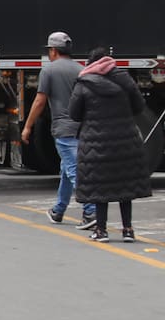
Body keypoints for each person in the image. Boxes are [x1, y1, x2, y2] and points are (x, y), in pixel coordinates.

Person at [69, 46, 153, 243]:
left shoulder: (84, 83)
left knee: (100, 187)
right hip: (125, 138)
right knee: (125, 186)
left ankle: (101, 230)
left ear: (91, 63)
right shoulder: (125, 80)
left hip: (95, 142)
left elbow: (74, 113)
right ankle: (128, 230)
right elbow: (139, 107)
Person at [21, 31, 96, 229]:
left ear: (53, 51)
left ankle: (91, 211)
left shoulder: (49, 70)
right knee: (66, 169)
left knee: (73, 170)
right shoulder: (81, 69)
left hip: (64, 128)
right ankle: (58, 210)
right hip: (82, 126)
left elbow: (39, 101)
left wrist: (27, 126)